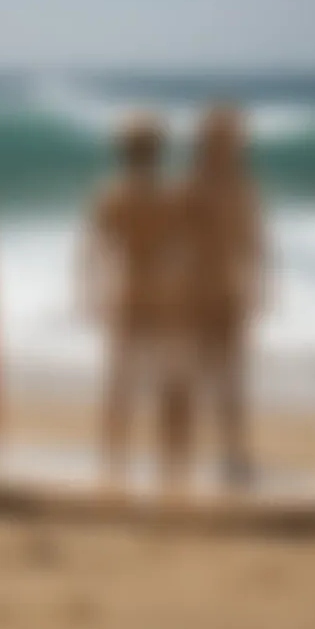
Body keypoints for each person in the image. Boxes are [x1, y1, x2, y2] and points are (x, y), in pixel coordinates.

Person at [79, 115, 182, 489]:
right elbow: (185, 251)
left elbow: (92, 252)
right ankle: (172, 468)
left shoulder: (111, 193)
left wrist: (90, 293)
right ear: (158, 150)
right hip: (166, 293)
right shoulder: (170, 194)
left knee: (121, 385)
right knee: (169, 385)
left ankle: (113, 465)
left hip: (127, 292)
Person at [174, 106, 264, 484]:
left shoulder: (244, 189)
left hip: (230, 293)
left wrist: (258, 286)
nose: (229, 145)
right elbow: (175, 244)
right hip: (195, 293)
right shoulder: (191, 188)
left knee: (232, 379)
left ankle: (234, 452)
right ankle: (177, 453)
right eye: (221, 138)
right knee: (189, 375)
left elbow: (256, 245)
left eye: (233, 139)